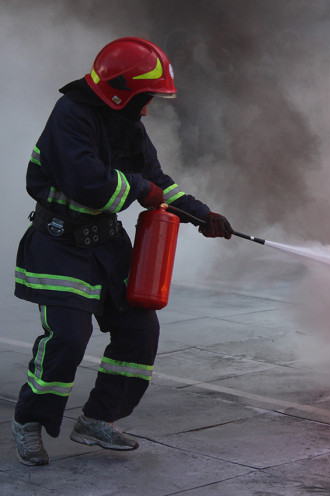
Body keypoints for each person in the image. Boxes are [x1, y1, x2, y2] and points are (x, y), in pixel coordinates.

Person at [10, 37, 234, 466]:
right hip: (59, 245)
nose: (148, 107)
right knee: (69, 339)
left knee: (139, 331)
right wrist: (140, 188)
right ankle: (29, 423)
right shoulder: (70, 116)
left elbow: (155, 178)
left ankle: (98, 418)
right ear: (121, 91)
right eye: (145, 98)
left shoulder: (127, 121)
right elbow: (88, 183)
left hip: (107, 247)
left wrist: (202, 215)